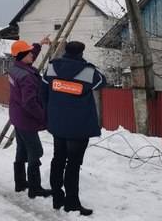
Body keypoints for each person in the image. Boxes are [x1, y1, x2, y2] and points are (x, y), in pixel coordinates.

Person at [42, 41, 106, 215]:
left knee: (58, 159)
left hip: (57, 124)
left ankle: (57, 197)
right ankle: (71, 202)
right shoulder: (88, 72)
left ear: (65, 51)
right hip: (78, 127)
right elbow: (102, 81)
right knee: (73, 164)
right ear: (81, 52)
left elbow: (43, 90)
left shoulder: (52, 68)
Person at [8, 35, 53, 199]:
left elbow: (28, 54)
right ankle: (35, 188)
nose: (32, 55)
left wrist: (38, 45)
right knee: (36, 151)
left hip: (16, 116)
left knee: (21, 149)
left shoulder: (15, 68)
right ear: (22, 56)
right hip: (26, 119)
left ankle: (20, 183)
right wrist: (43, 118)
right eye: (29, 53)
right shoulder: (27, 77)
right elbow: (29, 103)